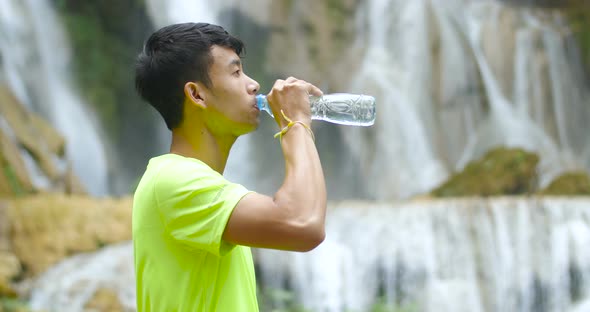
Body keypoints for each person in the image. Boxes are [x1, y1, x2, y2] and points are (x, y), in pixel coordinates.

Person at [132, 22, 327, 311]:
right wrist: (296, 123)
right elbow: (303, 223)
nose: (254, 84)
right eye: (236, 72)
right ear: (196, 95)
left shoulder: (205, 190)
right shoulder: (172, 180)